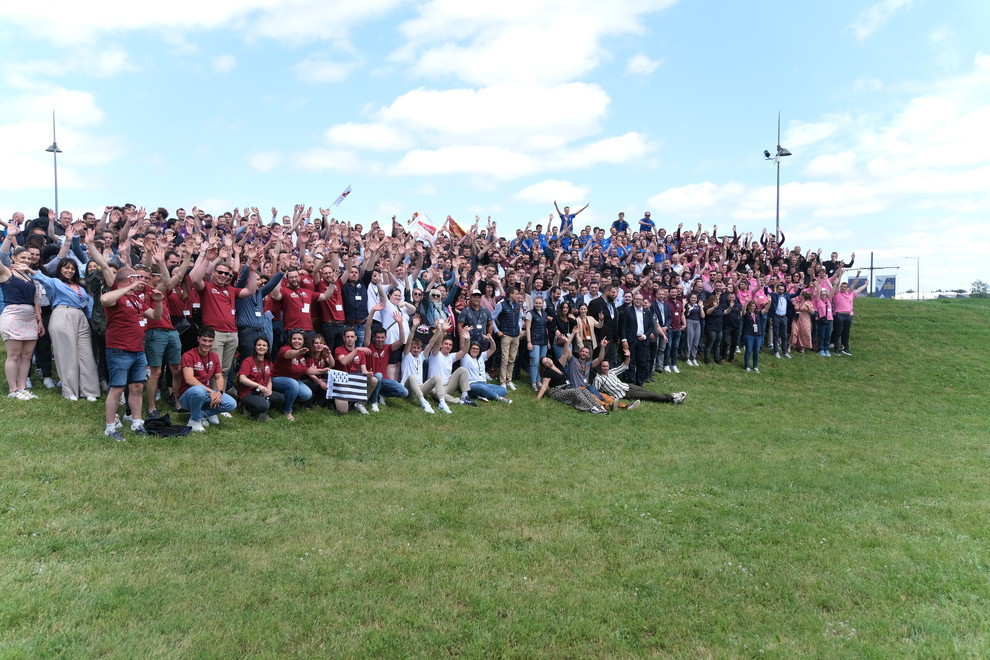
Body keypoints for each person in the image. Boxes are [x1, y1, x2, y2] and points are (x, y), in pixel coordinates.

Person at [100, 267, 165, 439]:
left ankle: (137, 423)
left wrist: (158, 302)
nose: (142, 280)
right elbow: (104, 299)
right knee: (117, 388)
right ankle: (110, 427)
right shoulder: (117, 295)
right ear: (129, 279)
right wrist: (129, 287)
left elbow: (155, 316)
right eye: (137, 277)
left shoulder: (135, 299)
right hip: (119, 349)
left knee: (137, 387)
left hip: (138, 349)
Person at [30, 256, 100, 401]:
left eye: (72, 268)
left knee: (86, 354)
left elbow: (88, 304)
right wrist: (29, 269)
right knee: (67, 354)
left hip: (81, 317)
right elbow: (41, 278)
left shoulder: (81, 286)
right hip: (62, 314)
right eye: (66, 267)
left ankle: (89, 390)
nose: (69, 270)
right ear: (60, 269)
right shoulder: (54, 283)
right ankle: (70, 391)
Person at [0, 247, 43, 400]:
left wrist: (39, 321)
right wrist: (9, 236)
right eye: (22, 258)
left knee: (27, 355)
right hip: (13, 315)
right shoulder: (6, 272)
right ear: (14, 258)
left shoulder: (31, 278)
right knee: (14, 355)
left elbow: (36, 300)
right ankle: (13, 390)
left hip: (30, 316)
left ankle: (22, 387)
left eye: (28, 258)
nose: (26, 261)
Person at [178, 326, 237, 432]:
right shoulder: (188, 355)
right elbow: (189, 379)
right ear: (198, 339)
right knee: (199, 390)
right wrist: (211, 391)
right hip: (188, 395)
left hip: (205, 393)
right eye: (204, 340)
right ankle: (195, 421)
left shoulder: (214, 356)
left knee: (232, 403)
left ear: (213, 341)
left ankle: (202, 414)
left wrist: (219, 392)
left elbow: (219, 377)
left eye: (210, 341)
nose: (207, 344)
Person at [594, 344, 687, 406]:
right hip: (626, 393)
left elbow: (624, 366)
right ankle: (672, 398)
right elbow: (596, 392)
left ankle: (672, 397)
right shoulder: (598, 379)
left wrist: (628, 356)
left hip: (628, 386)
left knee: (649, 392)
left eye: (607, 366)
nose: (605, 368)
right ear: (600, 367)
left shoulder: (611, 372)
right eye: (603, 366)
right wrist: (608, 397)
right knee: (650, 396)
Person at [272, 329, 317, 420]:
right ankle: (287, 411)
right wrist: (298, 352)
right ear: (290, 340)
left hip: (294, 381)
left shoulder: (306, 353)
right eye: (294, 339)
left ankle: (285, 402)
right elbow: (289, 355)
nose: (297, 341)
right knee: (293, 384)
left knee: (307, 394)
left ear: (304, 341)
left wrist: (323, 371)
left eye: (299, 339)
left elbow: (307, 370)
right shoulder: (285, 349)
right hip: (277, 379)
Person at [237, 336, 285, 420]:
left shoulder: (269, 363)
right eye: (259, 345)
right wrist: (258, 386)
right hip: (249, 392)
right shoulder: (248, 361)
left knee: (280, 398)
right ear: (255, 347)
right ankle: (246, 407)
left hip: (263, 391)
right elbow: (242, 378)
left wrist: (269, 389)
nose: (261, 347)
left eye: (264, 345)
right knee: (262, 405)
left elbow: (269, 378)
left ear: (267, 348)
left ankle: (261, 409)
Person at [461, 334, 512, 403]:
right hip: (471, 385)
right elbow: (462, 347)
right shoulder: (466, 357)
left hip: (484, 384)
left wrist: (491, 340)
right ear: (469, 349)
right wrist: (465, 338)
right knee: (482, 388)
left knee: (503, 390)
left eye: (477, 349)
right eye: (473, 348)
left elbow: (493, 349)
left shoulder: (482, 356)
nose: (475, 350)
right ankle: (498, 398)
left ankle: (481, 395)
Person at [830, 268, 868, 356]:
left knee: (846, 333)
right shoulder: (837, 294)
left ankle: (846, 348)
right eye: (841, 287)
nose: (843, 288)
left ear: (847, 288)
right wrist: (841, 275)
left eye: (844, 287)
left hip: (848, 316)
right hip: (839, 315)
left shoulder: (850, 294)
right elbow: (837, 283)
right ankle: (836, 349)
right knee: (837, 332)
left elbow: (855, 286)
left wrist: (859, 277)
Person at [523, 294, 550, 392]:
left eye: (540, 303)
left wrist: (548, 341)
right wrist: (529, 341)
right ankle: (533, 382)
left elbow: (545, 328)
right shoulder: (530, 313)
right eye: (537, 303)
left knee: (541, 362)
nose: (538, 305)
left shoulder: (545, 314)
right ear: (534, 303)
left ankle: (538, 380)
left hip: (543, 340)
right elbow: (528, 328)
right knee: (534, 362)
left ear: (543, 304)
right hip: (534, 340)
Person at [741, 299, 770, 373]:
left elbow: (766, 309)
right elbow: (743, 311)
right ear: (748, 307)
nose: (752, 308)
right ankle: (747, 366)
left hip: (758, 334)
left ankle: (755, 366)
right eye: (751, 306)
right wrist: (746, 302)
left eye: (754, 306)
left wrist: (769, 302)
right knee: (749, 350)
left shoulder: (757, 313)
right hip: (748, 334)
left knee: (756, 351)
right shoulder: (746, 314)